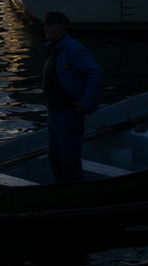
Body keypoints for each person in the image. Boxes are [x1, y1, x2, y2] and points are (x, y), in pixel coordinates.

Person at [41, 11, 103, 183]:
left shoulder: (75, 50)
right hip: (53, 113)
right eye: (44, 24)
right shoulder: (52, 48)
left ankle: (75, 192)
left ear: (61, 27)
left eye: (49, 24)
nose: (45, 28)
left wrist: (87, 102)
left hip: (69, 114)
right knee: (54, 156)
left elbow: (95, 73)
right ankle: (61, 188)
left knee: (69, 158)